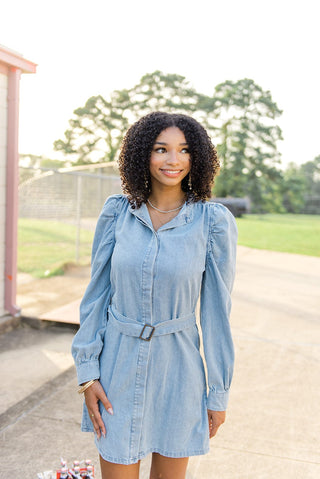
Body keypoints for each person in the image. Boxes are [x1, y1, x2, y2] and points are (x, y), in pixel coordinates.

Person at [71, 111, 238, 479]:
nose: (173, 160)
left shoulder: (212, 222)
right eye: (161, 149)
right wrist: (87, 374)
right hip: (117, 367)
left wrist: (218, 392)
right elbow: (96, 297)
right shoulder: (117, 213)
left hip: (179, 372)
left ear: (197, 158)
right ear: (144, 154)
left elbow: (216, 314)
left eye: (183, 150)